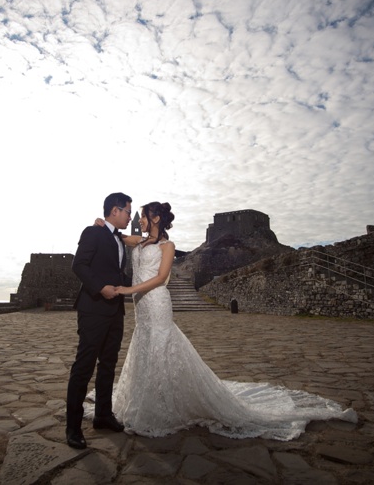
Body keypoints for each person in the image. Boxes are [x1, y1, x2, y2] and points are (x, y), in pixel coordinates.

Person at [90, 201, 357, 441]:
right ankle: (146, 401)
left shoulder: (167, 246)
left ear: (156, 218)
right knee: (146, 348)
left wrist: (126, 290)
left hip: (157, 302)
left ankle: (164, 406)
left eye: (145, 216)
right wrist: (101, 225)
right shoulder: (139, 241)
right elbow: (117, 235)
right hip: (142, 308)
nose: (141, 219)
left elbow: (161, 279)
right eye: (139, 217)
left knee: (161, 347)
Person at [65, 192, 133, 449]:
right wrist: (100, 287)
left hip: (116, 311)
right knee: (83, 367)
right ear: (115, 210)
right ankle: (72, 428)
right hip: (93, 309)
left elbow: (117, 273)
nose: (129, 215)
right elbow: (79, 265)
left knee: (108, 364)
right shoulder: (93, 232)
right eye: (127, 211)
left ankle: (103, 415)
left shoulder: (120, 240)